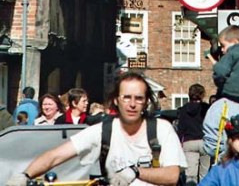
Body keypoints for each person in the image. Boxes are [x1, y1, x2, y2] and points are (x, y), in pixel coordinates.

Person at [6, 71, 187, 186]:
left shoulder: (161, 129)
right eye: (126, 97)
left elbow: (172, 175)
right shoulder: (103, 131)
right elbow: (55, 156)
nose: (132, 104)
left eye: (138, 98)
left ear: (146, 101)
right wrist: (24, 175)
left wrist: (135, 172)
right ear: (116, 100)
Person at [177, 83, 210, 186]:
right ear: (202, 94)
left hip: (189, 142)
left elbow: (180, 128)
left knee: (191, 176)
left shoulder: (183, 109)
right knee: (205, 175)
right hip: (204, 141)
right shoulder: (206, 108)